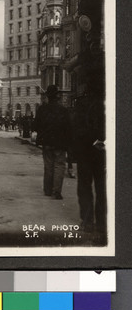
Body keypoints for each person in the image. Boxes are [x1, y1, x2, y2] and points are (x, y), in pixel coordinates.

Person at [72, 73, 106, 234]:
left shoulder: (82, 103)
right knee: (103, 187)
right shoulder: (113, 101)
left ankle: (87, 221)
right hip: (105, 152)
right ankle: (103, 222)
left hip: (86, 151)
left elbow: (77, 129)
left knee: (85, 186)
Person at [33, 85, 72, 200]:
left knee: (48, 166)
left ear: (47, 97)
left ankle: (48, 190)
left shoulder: (42, 109)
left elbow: (35, 126)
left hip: (47, 142)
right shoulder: (63, 110)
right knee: (59, 166)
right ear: (57, 96)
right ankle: (57, 191)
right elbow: (68, 128)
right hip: (60, 142)